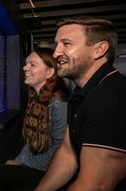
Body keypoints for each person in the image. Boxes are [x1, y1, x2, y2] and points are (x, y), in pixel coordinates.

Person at [35, 16, 126, 191]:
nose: (55, 53)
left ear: (99, 50)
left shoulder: (110, 98)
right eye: (56, 44)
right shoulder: (81, 93)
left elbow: (95, 186)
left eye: (66, 44)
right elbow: (68, 153)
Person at [0, 47, 69, 191]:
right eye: (26, 63)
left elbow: (60, 151)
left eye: (32, 64)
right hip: (41, 166)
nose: (25, 67)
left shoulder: (59, 103)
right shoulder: (35, 98)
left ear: (49, 72)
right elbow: (30, 142)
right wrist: (18, 160)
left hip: (51, 171)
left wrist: (23, 162)